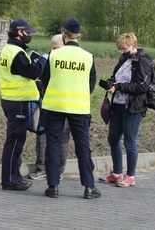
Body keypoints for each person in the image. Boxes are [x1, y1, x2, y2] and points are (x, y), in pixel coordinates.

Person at [41, 18, 101, 199]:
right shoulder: (87, 57)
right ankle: (89, 188)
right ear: (79, 36)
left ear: (63, 33)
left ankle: (53, 187)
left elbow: (45, 80)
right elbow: (91, 84)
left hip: (54, 106)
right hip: (79, 109)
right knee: (83, 147)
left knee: (52, 145)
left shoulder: (54, 55)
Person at [0, 18, 45, 191]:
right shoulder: (16, 52)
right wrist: (41, 62)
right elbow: (32, 73)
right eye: (27, 32)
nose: (29, 35)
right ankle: (10, 181)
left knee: (15, 141)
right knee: (15, 141)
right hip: (18, 103)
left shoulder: (8, 49)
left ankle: (13, 177)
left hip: (11, 100)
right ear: (19, 32)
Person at [99, 33, 152, 188]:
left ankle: (130, 176)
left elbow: (142, 86)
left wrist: (119, 87)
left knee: (129, 141)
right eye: (120, 49)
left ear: (133, 46)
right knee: (113, 138)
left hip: (133, 107)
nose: (122, 52)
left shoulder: (143, 61)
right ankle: (116, 173)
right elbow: (117, 77)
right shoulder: (123, 59)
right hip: (118, 104)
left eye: (124, 48)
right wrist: (110, 83)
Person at [28, 34, 71, 181]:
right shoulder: (46, 58)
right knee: (42, 134)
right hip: (46, 103)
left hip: (65, 104)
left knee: (63, 138)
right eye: (52, 47)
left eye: (57, 48)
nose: (54, 50)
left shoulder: (69, 60)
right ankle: (41, 168)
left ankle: (59, 170)